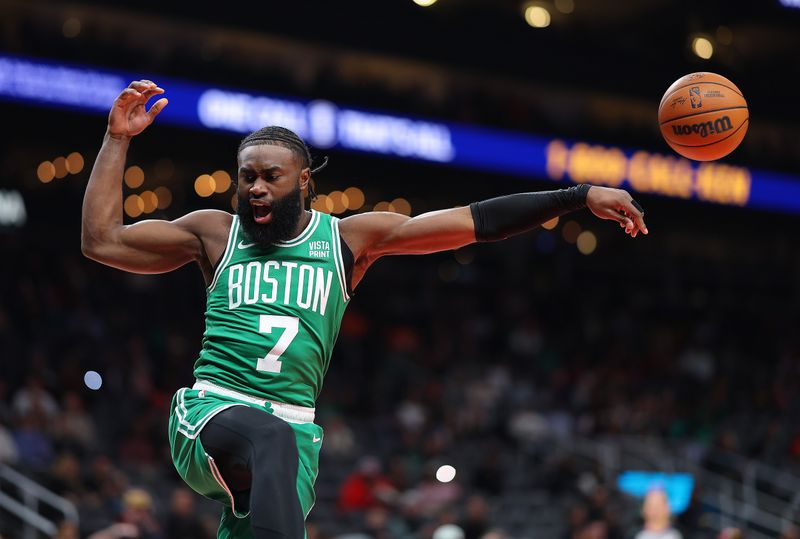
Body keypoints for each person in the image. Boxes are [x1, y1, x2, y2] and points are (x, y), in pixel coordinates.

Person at [81, 80, 648, 539]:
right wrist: (116, 139)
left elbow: (472, 223)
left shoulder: (349, 239)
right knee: (268, 438)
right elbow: (102, 241)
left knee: (268, 483)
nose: (255, 187)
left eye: (270, 177)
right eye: (247, 176)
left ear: (302, 182)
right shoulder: (212, 232)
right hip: (211, 412)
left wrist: (577, 196)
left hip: (293, 430)